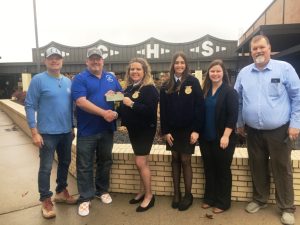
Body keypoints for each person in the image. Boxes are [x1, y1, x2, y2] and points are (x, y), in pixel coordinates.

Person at [234, 34, 300, 225]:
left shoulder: (284, 69)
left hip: (279, 131)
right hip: (253, 131)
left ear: (269, 48)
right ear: (251, 52)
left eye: (262, 47)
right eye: (255, 49)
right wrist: (239, 122)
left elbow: (297, 97)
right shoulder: (244, 73)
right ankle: (260, 200)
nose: (258, 51)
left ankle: (287, 207)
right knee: (257, 166)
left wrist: (295, 124)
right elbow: (237, 100)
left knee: (282, 168)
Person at [24, 47, 76, 219]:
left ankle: (61, 191)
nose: (55, 61)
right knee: (46, 168)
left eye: (58, 58)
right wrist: (34, 132)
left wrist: (72, 127)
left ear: (62, 61)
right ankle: (45, 199)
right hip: (46, 133)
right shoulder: (38, 80)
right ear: (45, 61)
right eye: (51, 58)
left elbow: (70, 107)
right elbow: (30, 105)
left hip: (65, 132)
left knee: (65, 162)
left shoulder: (67, 81)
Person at [71, 47, 122, 217]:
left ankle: (101, 190)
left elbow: (119, 96)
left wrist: (114, 100)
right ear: (87, 61)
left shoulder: (110, 77)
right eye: (92, 59)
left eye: (98, 59)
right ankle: (85, 198)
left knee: (105, 161)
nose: (95, 61)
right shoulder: (80, 78)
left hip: (106, 130)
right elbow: (80, 102)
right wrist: (104, 113)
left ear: (103, 61)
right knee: (84, 165)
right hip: (87, 131)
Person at [160, 51, 204, 211]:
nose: (179, 65)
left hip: (188, 130)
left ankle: (188, 195)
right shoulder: (166, 85)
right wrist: (165, 132)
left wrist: (196, 130)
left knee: (185, 161)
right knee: (175, 160)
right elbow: (163, 111)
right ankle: (176, 194)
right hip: (172, 131)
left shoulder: (193, 82)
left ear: (186, 65)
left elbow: (200, 107)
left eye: (182, 63)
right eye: (176, 62)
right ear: (173, 65)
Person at [118, 58, 159, 212]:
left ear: (144, 71)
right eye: (132, 69)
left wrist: (132, 104)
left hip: (145, 130)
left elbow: (150, 112)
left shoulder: (149, 89)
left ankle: (149, 196)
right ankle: (142, 192)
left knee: (141, 163)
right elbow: (123, 110)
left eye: (138, 69)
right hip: (134, 131)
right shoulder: (128, 89)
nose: (135, 72)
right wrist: (114, 103)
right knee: (142, 163)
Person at [200, 59, 238, 213]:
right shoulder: (205, 91)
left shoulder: (230, 91)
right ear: (208, 73)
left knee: (222, 170)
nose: (215, 74)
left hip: (223, 138)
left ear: (223, 73)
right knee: (208, 169)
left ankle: (223, 202)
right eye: (212, 71)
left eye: (218, 71)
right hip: (206, 137)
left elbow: (232, 116)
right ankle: (209, 198)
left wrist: (226, 136)